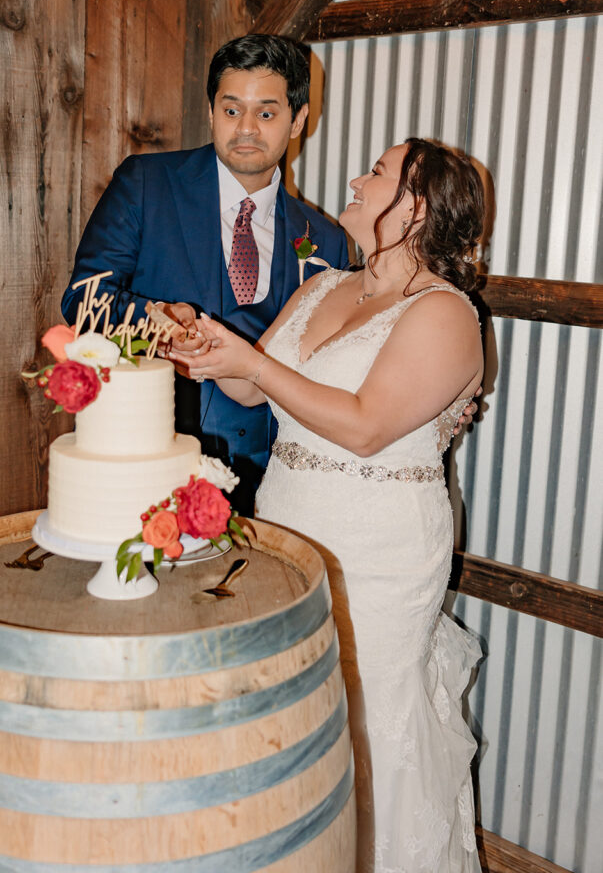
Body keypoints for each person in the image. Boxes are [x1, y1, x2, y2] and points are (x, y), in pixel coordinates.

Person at [172, 137, 485, 872]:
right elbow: (253, 386)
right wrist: (207, 343)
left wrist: (250, 362)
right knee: (289, 713)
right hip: (287, 528)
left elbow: (367, 426)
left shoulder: (446, 315)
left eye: (375, 172)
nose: (354, 178)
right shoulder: (320, 288)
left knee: (365, 718)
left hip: (379, 550)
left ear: (416, 205)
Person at [61, 34, 350, 513]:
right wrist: (153, 319)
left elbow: (343, 350)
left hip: (278, 481)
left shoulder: (326, 239)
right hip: (152, 458)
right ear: (212, 111)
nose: (246, 129)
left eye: (267, 113)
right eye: (231, 110)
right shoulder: (146, 184)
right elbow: (83, 298)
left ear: (298, 120)